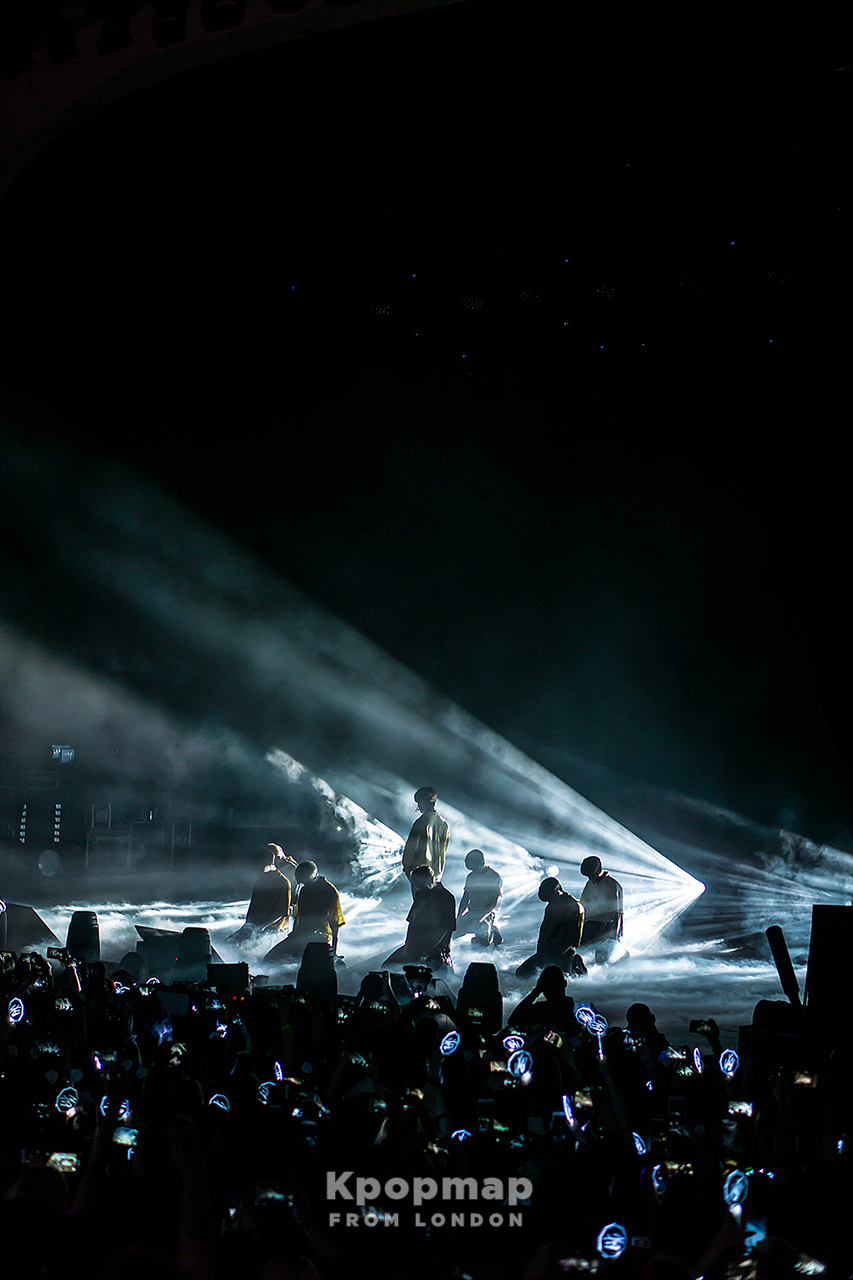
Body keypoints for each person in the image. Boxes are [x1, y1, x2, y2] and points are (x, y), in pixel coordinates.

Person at [263, 861, 345, 963]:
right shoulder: (305, 890)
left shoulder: (329, 892)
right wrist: (293, 935)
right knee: (269, 959)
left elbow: (335, 923)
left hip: (318, 937)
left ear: (313, 876)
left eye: (303, 881)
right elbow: (298, 917)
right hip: (300, 935)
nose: (302, 884)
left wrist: (333, 950)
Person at [384, 864, 456, 969]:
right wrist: (408, 945)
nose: (421, 888)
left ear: (432, 879)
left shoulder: (446, 898)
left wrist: (429, 948)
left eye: (423, 885)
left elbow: (445, 928)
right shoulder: (421, 895)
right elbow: (412, 921)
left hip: (436, 947)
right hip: (417, 944)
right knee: (388, 966)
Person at [515, 877, 586, 980]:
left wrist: (553, 959)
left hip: (563, 952)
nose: (549, 902)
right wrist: (541, 955)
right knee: (522, 974)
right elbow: (544, 932)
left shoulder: (574, 907)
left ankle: (575, 964)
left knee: (557, 980)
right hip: (547, 950)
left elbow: (572, 939)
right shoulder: (552, 906)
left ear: (557, 892)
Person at [230, 844, 296, 943]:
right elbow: (253, 909)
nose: (256, 870)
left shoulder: (282, 882)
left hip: (273, 931)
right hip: (256, 928)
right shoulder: (260, 881)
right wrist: (248, 927)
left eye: (258, 866)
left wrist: (258, 928)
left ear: (270, 863)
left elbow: (280, 913)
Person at [402, 786, 450, 892]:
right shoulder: (443, 824)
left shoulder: (420, 823)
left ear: (422, 802)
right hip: (437, 875)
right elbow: (444, 849)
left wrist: (407, 868)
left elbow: (411, 848)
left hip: (420, 876)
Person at [578, 855, 623, 963]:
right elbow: (583, 906)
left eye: (591, 875)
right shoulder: (590, 883)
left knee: (602, 959)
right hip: (591, 924)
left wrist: (614, 936)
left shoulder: (612, 885)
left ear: (598, 871)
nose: (589, 878)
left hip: (606, 925)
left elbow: (617, 914)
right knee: (580, 951)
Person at [456, 849, 503, 945]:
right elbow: (465, 898)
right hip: (473, 910)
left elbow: (493, 903)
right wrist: (459, 916)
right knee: (455, 932)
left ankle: (492, 930)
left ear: (481, 862)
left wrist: (480, 918)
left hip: (488, 912)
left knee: (483, 941)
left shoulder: (494, 877)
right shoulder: (470, 877)